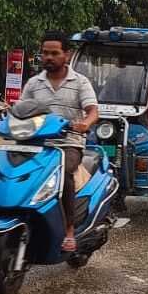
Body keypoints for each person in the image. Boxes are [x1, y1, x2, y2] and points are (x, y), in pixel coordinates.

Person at [19, 31, 100, 253]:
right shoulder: (34, 84)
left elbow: (93, 111)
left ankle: (70, 230)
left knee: (63, 173)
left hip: (69, 143)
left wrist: (85, 123)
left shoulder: (80, 82)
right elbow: (20, 110)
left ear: (67, 54)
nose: (48, 57)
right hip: (35, 143)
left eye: (54, 53)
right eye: (45, 53)